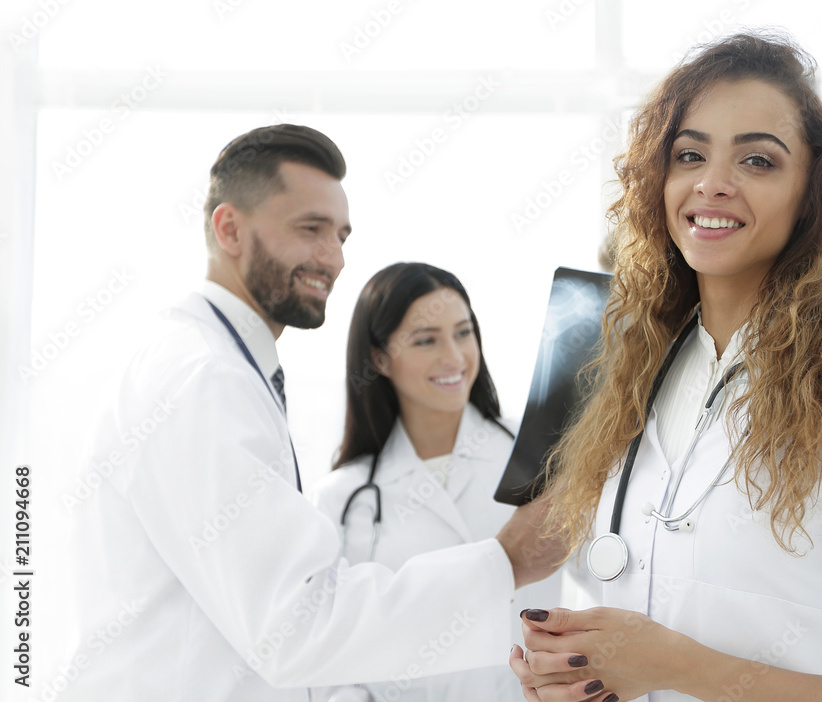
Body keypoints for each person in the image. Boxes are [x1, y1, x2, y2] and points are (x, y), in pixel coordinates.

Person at [508, 32, 822, 702]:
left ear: (809, 194)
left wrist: (680, 668)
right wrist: (574, 681)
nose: (712, 182)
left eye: (758, 160)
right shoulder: (625, 372)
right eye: (689, 155)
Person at [57, 124, 562, 702]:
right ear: (229, 229)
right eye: (310, 229)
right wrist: (505, 562)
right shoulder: (205, 378)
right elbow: (296, 625)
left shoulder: (219, 367)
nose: (334, 258)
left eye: (341, 235)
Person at [308, 262, 563, 702]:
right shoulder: (340, 500)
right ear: (379, 358)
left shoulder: (543, 453)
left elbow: (611, 574)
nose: (454, 357)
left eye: (463, 333)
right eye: (426, 340)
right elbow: (328, 660)